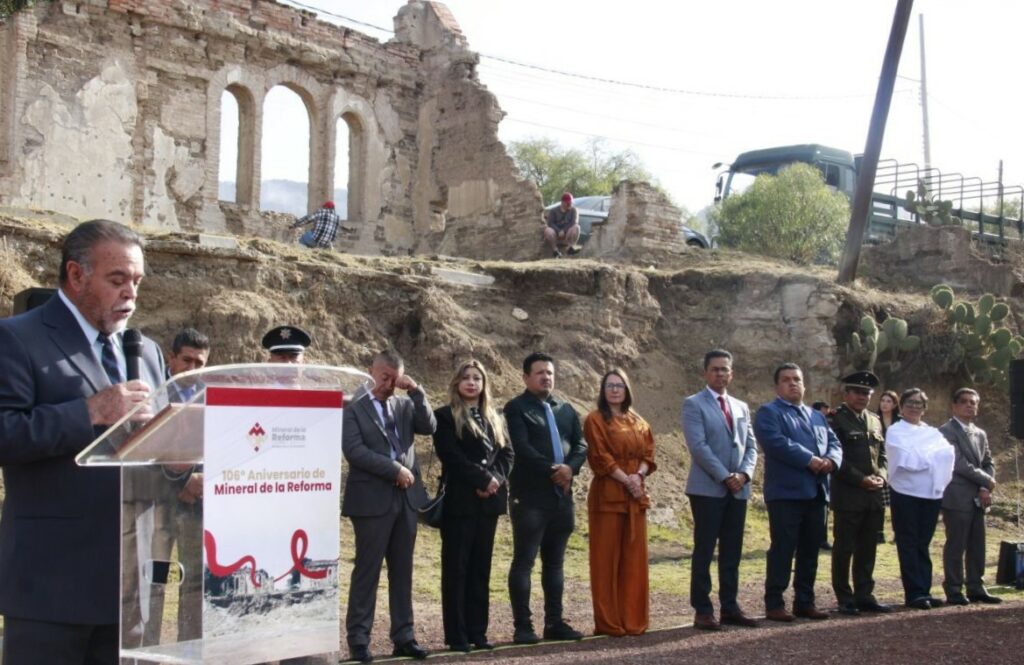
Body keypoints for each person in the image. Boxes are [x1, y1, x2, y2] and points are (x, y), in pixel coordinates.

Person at [0, 219, 165, 664]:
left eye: (136, 281)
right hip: (52, 588)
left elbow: (151, 450)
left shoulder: (146, 352)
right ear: (76, 275)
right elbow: (5, 433)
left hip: (131, 584)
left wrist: (179, 455)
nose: (130, 293)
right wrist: (90, 412)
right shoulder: (17, 338)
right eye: (117, 280)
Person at [342, 349, 436, 663]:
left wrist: (417, 390)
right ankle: (358, 640)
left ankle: (404, 636)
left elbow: (430, 426)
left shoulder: (405, 404)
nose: (389, 385)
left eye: (395, 379)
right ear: (371, 371)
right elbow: (354, 451)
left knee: (403, 571)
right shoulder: (352, 407)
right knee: (367, 572)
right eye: (385, 378)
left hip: (406, 501)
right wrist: (393, 470)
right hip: (371, 500)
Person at [504, 352, 587, 644]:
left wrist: (571, 469)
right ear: (526, 377)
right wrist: (555, 470)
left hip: (561, 499)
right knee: (524, 561)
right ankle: (523, 627)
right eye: (539, 373)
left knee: (555, 564)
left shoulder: (565, 409)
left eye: (549, 373)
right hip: (530, 499)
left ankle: (554, 623)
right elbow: (522, 448)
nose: (546, 377)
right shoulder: (516, 408)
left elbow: (581, 443)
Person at [432, 360, 514, 652]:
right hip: (460, 502)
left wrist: (494, 480)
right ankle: (457, 636)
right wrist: (481, 479)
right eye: (466, 378)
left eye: (477, 378)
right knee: (457, 569)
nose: (471, 382)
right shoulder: (444, 416)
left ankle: (478, 632)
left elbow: (507, 454)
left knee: (481, 569)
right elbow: (450, 456)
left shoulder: (496, 416)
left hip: (489, 503)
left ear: (484, 384)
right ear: (456, 383)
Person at [754, 363, 842, 622]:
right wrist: (810, 460)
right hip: (786, 493)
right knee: (783, 548)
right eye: (786, 380)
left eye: (797, 379)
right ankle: (774, 603)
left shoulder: (817, 416)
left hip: (817, 493)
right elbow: (776, 442)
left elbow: (834, 442)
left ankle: (805, 601)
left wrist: (831, 461)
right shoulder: (769, 412)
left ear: (804, 385)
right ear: (777, 386)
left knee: (810, 549)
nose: (793, 383)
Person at [681, 349, 758, 631]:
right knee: (704, 550)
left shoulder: (740, 406)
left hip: (738, 490)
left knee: (732, 551)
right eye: (715, 369)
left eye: (725, 369)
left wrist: (745, 474)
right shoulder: (693, 404)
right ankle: (702, 609)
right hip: (707, 489)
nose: (720, 373)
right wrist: (726, 476)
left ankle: (730, 606)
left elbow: (751, 445)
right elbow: (698, 447)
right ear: (705, 372)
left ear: (732, 373)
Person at [585, 368, 657, 637]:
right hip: (608, 494)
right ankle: (608, 622)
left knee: (634, 560)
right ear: (603, 391)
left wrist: (638, 476)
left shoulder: (639, 421)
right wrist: (626, 480)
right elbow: (600, 456)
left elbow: (649, 454)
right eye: (609, 386)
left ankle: (633, 620)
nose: (614, 390)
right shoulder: (594, 420)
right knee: (605, 561)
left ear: (627, 390)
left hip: (635, 496)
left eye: (619, 385)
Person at [885, 388, 955, 610]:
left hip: (930, 493)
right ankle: (913, 592)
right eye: (910, 402)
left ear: (925, 408)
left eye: (919, 403)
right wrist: (928, 458)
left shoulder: (933, 433)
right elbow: (905, 458)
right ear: (902, 406)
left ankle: (924, 589)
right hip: (905, 492)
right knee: (908, 541)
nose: (914, 407)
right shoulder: (896, 430)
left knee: (923, 543)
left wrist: (926, 457)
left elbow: (947, 455)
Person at [828, 371, 891, 616]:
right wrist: (861, 479)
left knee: (868, 547)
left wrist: (882, 477)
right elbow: (835, 457)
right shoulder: (836, 419)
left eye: (867, 393)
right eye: (857, 392)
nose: (862, 396)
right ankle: (844, 597)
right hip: (849, 493)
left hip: (873, 494)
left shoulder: (874, 420)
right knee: (844, 547)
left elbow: (883, 455)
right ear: (846, 394)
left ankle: (865, 594)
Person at [164, 328, 210, 640]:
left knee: (193, 581)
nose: (192, 369)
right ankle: (144, 657)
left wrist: (203, 479)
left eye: (200, 363)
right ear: (171, 359)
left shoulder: (213, 397)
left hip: (197, 508)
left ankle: (191, 651)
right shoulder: (154, 393)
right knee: (151, 582)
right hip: (156, 503)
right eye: (186, 360)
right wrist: (180, 480)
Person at [940, 388, 1001, 605]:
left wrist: (985, 488)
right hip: (957, 495)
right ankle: (954, 588)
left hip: (978, 496)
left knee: (978, 543)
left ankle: (976, 586)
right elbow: (958, 463)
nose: (969, 405)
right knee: (957, 544)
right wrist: (986, 480)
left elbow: (988, 462)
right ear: (954, 406)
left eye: (973, 402)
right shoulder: (946, 431)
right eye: (965, 402)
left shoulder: (980, 433)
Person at [543, 192, 581, 258]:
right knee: (547, 230)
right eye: (568, 203)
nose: (570, 204)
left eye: (571, 203)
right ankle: (555, 251)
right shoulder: (553, 211)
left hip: (567, 233)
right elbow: (550, 223)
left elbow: (573, 222)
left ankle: (570, 248)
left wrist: (564, 230)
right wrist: (558, 231)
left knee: (576, 227)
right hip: (556, 233)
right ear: (563, 202)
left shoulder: (574, 210)